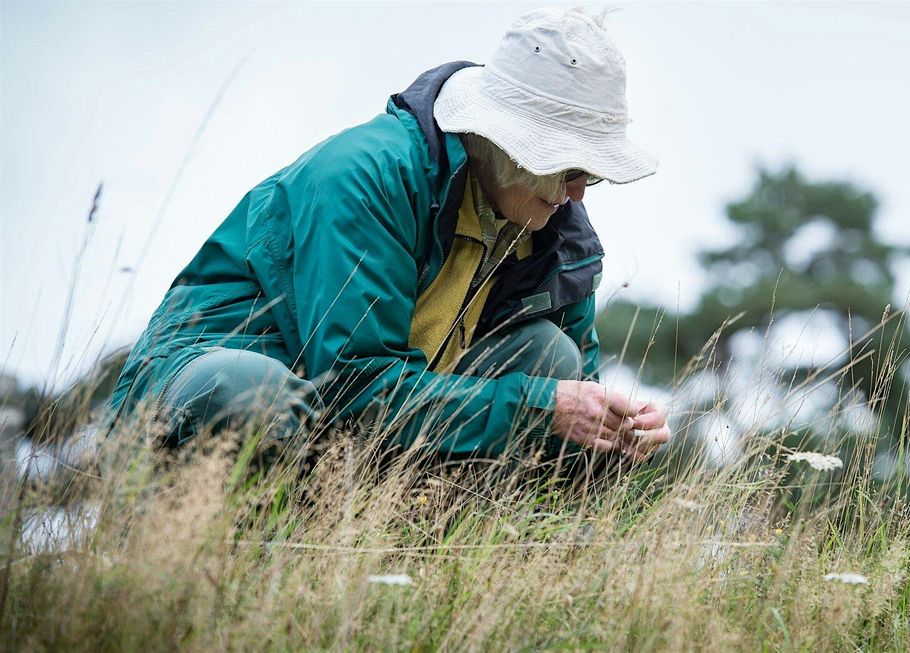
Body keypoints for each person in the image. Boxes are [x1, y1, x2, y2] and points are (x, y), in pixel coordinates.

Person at [104, 7, 671, 470]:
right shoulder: (365, 175)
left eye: (592, 174)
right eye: (571, 167)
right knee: (250, 391)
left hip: (361, 436)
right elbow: (353, 386)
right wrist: (537, 409)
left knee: (552, 357)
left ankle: (432, 574)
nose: (579, 193)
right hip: (202, 411)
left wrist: (619, 435)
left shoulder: (555, 231)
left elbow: (576, 409)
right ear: (504, 140)